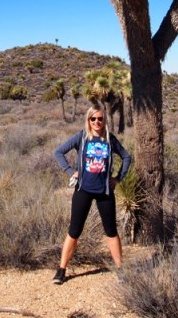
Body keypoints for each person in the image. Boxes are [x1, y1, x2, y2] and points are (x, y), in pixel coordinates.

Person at [52, 104, 132, 285]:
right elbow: (58, 152)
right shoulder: (81, 137)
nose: (97, 122)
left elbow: (126, 157)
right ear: (88, 120)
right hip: (83, 190)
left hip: (105, 191)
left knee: (111, 231)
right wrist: (70, 171)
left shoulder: (109, 139)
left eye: (100, 119)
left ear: (104, 120)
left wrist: (118, 178)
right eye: (93, 119)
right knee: (74, 230)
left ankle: (121, 269)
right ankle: (61, 270)